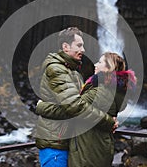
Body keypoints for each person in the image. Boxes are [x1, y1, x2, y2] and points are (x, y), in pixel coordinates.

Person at [36, 52, 137, 167]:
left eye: (99, 62)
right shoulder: (113, 91)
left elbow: (71, 109)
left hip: (87, 151)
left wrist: (41, 107)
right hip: (100, 147)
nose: (95, 65)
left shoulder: (98, 91)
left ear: (109, 68)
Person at [35, 27, 118, 167]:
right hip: (56, 141)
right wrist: (108, 121)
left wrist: (43, 107)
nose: (83, 50)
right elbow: (75, 106)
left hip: (67, 140)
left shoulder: (73, 71)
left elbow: (80, 104)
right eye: (79, 45)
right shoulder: (57, 69)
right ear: (65, 47)